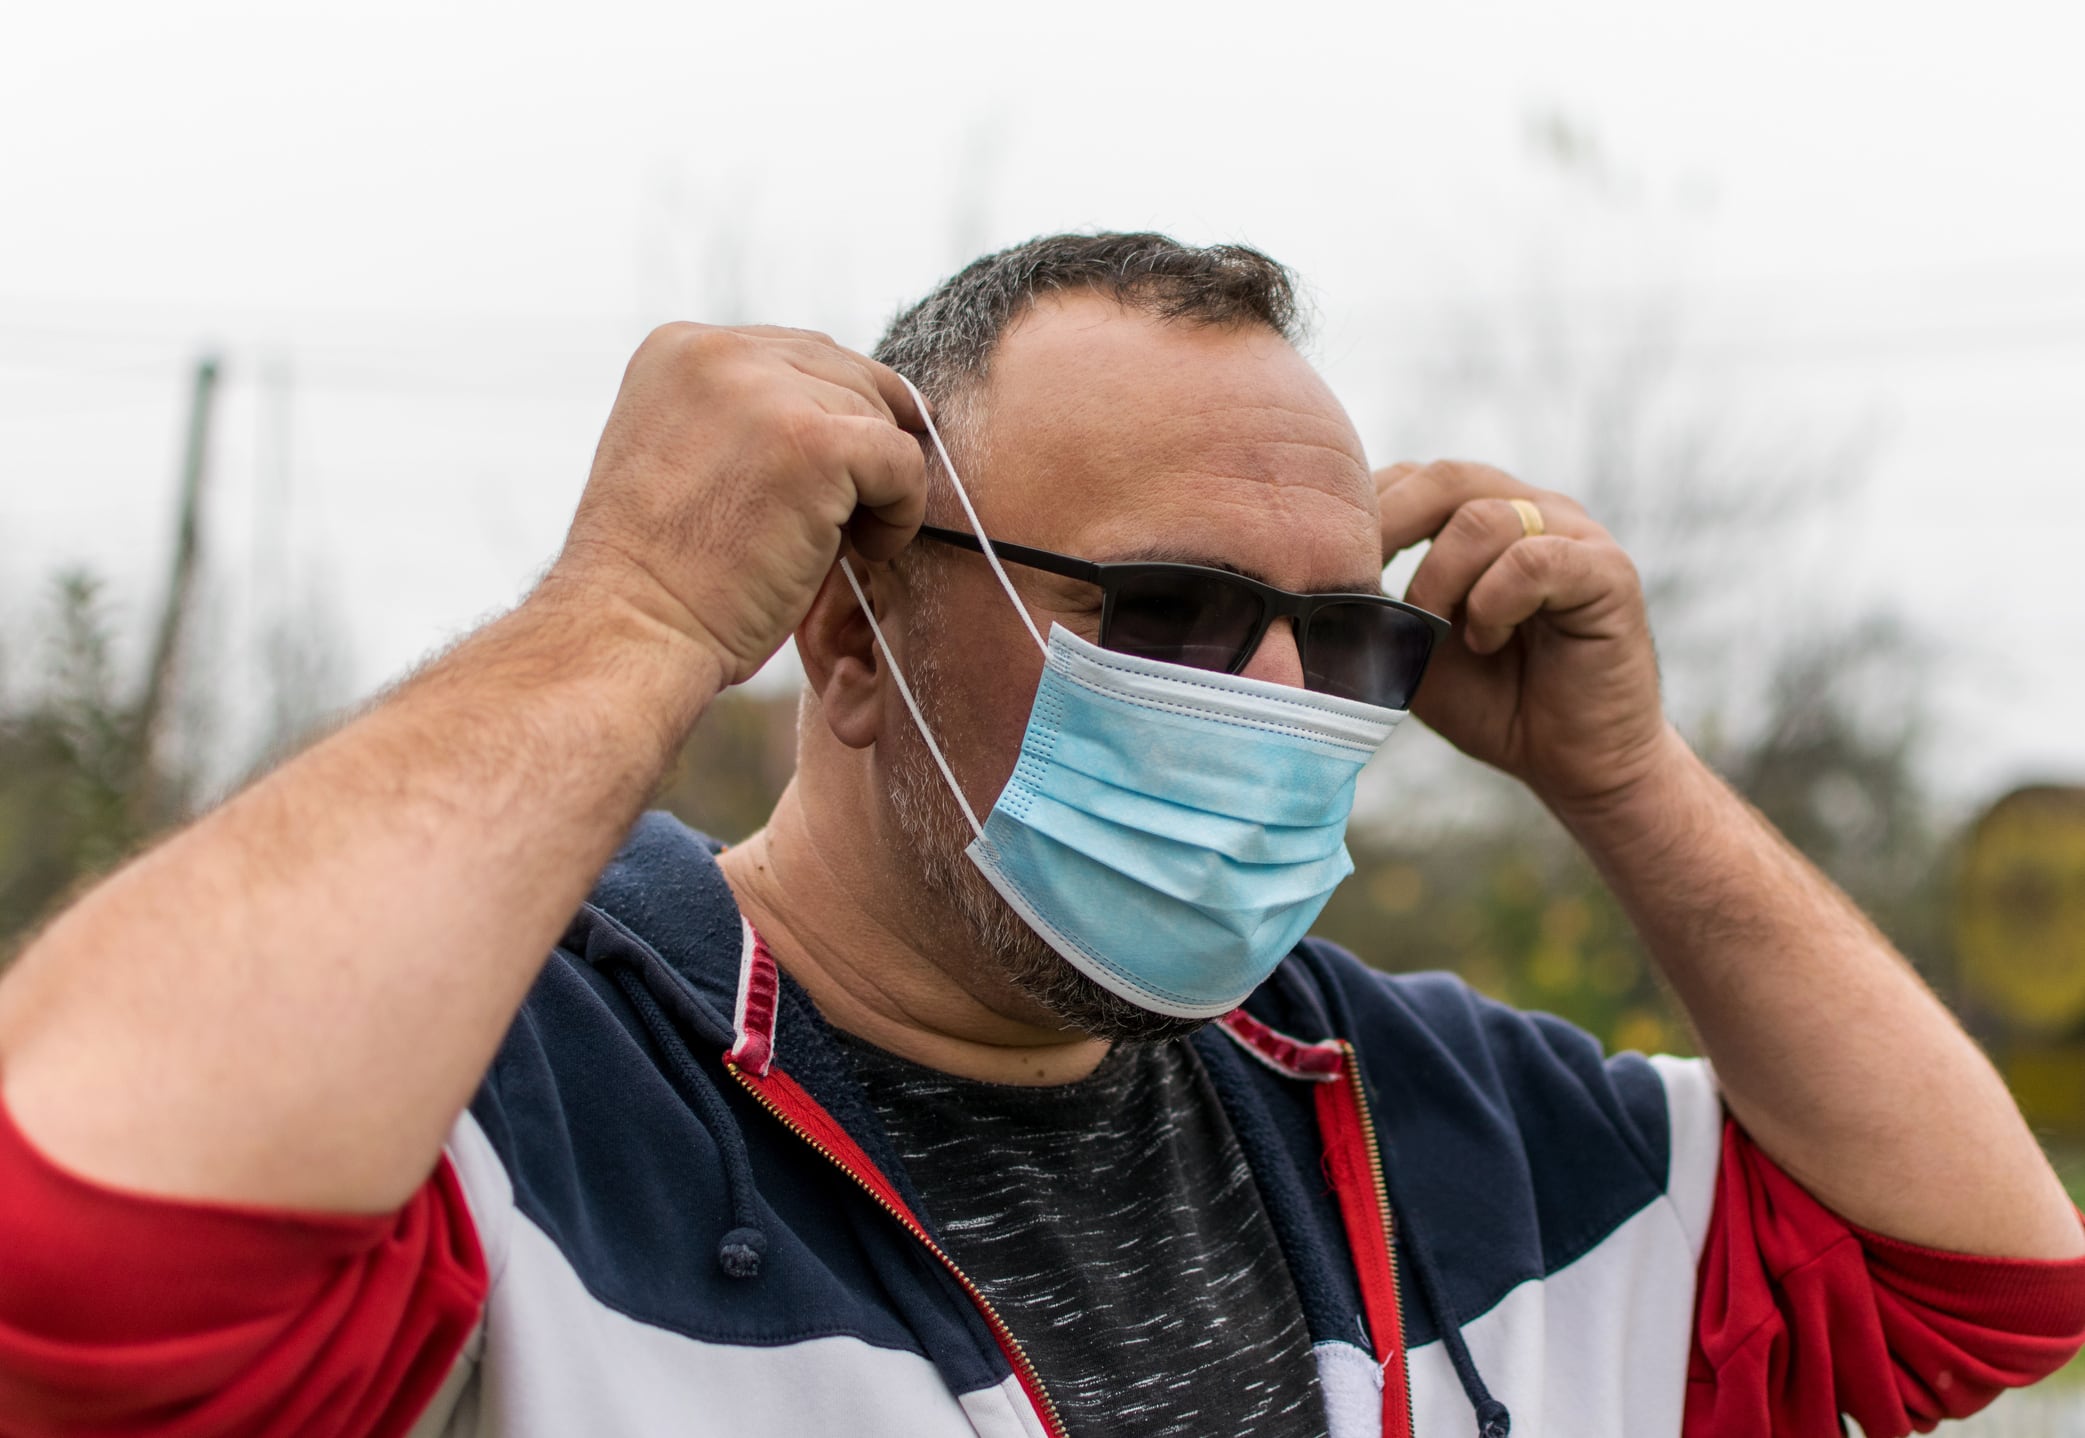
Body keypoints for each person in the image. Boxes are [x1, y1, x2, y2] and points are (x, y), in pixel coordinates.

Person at [1, 233, 2080, 1438]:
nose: (1271, 701)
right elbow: (68, 1246)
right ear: (843, 627)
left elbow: (1970, 1284)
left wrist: (1619, 778)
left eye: (1340, 637)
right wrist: (625, 614)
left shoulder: (1432, 1115)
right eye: (1163, 611)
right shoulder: (515, 1100)